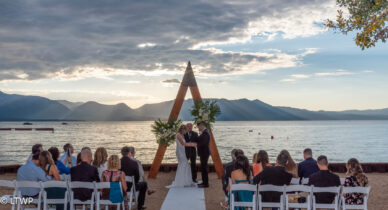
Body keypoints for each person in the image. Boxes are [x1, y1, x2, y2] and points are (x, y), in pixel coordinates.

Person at [197, 122, 210, 188]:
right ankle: (204, 182)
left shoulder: (205, 133)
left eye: (198, 126)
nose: (198, 128)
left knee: (204, 168)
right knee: (203, 167)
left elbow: (204, 143)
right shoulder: (205, 132)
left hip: (204, 153)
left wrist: (196, 145)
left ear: (202, 126)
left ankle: (205, 184)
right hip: (204, 152)